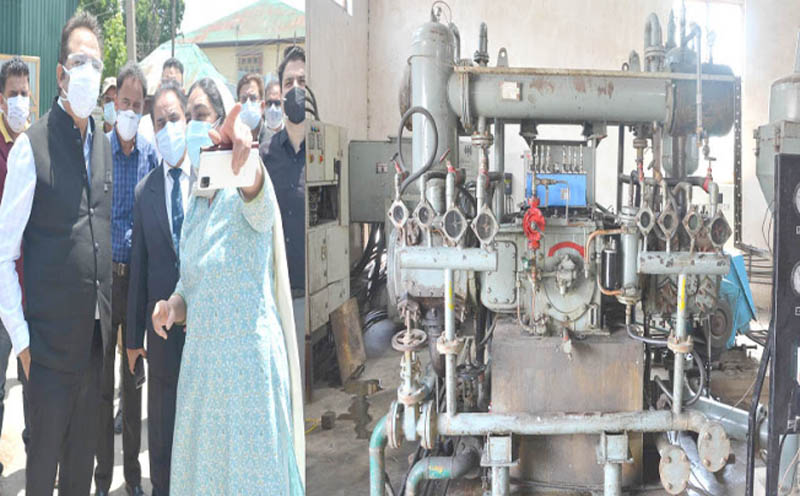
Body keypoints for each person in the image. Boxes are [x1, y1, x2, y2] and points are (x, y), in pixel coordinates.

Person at [150, 77, 305, 494]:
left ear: (222, 121)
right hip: (203, 380)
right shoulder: (197, 200)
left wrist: (246, 162)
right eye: (190, 116)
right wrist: (172, 306)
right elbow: (190, 283)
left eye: (202, 115)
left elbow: (262, 207)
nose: (193, 126)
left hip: (246, 380)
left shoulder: (245, 183)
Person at [0, 12, 112, 495]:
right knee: (42, 473)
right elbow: (3, 254)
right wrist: (23, 341)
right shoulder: (32, 146)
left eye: (96, 63)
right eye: (79, 62)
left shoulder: (102, 144)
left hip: (93, 347)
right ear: (63, 74)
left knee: (79, 474)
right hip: (45, 354)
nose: (89, 72)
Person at [94, 61, 156, 496]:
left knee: (132, 386)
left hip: (135, 284)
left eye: (136, 105)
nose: (129, 111)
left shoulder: (150, 156)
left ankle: (132, 477)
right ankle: (102, 479)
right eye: (124, 102)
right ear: (114, 102)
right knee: (100, 387)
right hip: (103, 284)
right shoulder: (98, 151)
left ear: (144, 107)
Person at [126, 79, 190, 496]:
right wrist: (134, 339)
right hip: (162, 332)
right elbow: (139, 268)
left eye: (174, 118)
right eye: (160, 122)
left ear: (187, 120)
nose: (168, 128)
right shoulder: (145, 191)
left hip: (205, 332)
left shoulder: (209, 182)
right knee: (163, 434)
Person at [262, 45, 307, 383]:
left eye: (302, 81)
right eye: (289, 82)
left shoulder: (324, 150)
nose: (295, 89)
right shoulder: (265, 157)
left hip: (311, 296)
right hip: (278, 295)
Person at [0, 56, 31, 474]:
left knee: (33, 382)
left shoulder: (36, 147)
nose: (20, 100)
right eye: (13, 94)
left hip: (30, 289)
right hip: (1, 287)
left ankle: (35, 453)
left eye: (25, 93)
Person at [236, 72, 266, 143]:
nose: (248, 103)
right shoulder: (232, 141)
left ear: (262, 106)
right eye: (244, 99)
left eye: (253, 98)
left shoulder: (273, 141)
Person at [258, 77, 284, 156]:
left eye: (277, 103)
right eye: (269, 103)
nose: (272, 108)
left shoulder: (291, 135)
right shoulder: (258, 135)